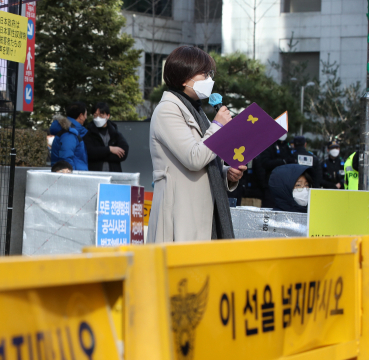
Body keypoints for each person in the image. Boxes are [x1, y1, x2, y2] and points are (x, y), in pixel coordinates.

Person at [146, 45, 245, 243]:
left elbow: (207, 158)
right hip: (179, 214)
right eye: (204, 74)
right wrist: (218, 125)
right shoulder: (168, 110)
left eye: (210, 74)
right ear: (184, 77)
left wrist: (228, 175)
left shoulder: (195, 111)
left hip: (201, 212)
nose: (210, 80)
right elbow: (194, 158)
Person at [84, 102, 130, 172]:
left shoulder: (115, 133)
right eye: (95, 115)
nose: (98, 118)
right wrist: (109, 149)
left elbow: (123, 153)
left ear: (108, 116)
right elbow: (90, 153)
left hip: (114, 174)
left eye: (101, 115)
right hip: (95, 174)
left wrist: (100, 154)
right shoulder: (89, 133)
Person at [49, 101, 89, 171]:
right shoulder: (69, 133)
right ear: (81, 116)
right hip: (74, 176)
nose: (86, 117)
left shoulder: (70, 130)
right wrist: (71, 176)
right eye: (86, 114)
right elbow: (66, 159)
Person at [258, 136, 295, 207]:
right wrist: (282, 161)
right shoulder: (269, 145)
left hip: (285, 185)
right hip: (271, 184)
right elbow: (265, 163)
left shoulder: (287, 146)